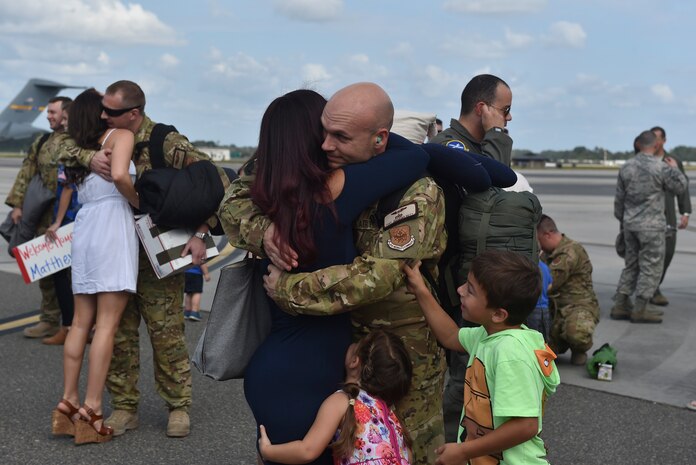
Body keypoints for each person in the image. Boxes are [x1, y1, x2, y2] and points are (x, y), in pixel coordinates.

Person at [59, 80, 229, 438]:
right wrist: (88, 156)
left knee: (165, 335)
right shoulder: (101, 138)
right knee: (118, 336)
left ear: (134, 113)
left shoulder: (163, 141)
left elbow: (217, 182)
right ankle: (124, 405)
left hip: (159, 257)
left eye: (112, 112)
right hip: (115, 254)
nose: (103, 116)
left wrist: (202, 232)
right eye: (102, 109)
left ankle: (178, 406)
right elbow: (56, 149)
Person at [403, 250, 559, 465]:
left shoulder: (510, 353)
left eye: (471, 290)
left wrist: (464, 450)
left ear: (498, 314)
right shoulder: (491, 334)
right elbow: (450, 336)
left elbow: (526, 425)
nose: (460, 290)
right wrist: (421, 290)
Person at [429, 73, 514, 442]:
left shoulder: (471, 149)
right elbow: (490, 189)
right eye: (504, 111)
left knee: (476, 366)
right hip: (453, 278)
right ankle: (450, 444)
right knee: (464, 368)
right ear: (482, 108)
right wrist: (498, 138)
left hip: (468, 273)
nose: (508, 119)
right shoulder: (453, 148)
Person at [51, 88, 139, 444]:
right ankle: (93, 410)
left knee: (79, 322)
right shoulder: (121, 135)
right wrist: (139, 200)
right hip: (112, 227)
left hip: (85, 229)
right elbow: (120, 176)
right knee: (107, 325)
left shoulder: (76, 150)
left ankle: (67, 403)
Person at [258, 330, 413, 465]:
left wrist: (268, 451)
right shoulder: (392, 419)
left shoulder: (342, 401)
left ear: (354, 361)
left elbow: (308, 450)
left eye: (357, 343)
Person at [6, 96, 72, 339]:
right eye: (48, 113)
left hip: (72, 217)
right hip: (45, 218)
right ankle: (50, 319)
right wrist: (18, 204)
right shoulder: (43, 141)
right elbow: (27, 171)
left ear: (66, 114)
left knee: (73, 275)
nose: (48, 116)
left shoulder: (79, 141)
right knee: (47, 274)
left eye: (53, 113)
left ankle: (77, 323)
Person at [611, 130, 687, 323]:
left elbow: (619, 200)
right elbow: (680, 187)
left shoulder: (626, 167)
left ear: (638, 145)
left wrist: (623, 221)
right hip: (652, 227)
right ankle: (641, 308)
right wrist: (676, 169)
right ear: (655, 146)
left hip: (630, 224)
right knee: (650, 267)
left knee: (631, 265)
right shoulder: (660, 167)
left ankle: (621, 303)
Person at [536, 214, 600, 365]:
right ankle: (559, 342)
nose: (537, 244)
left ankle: (579, 348)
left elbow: (548, 284)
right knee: (541, 348)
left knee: (576, 333)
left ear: (547, 235)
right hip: (555, 308)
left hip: (577, 307)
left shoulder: (569, 252)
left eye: (538, 239)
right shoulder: (548, 253)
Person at [650, 126, 691, 306]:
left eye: (658, 139)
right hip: (647, 216)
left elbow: (683, 188)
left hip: (668, 216)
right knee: (647, 255)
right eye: (652, 138)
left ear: (664, 141)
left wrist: (685, 211)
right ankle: (650, 291)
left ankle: (654, 286)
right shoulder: (642, 161)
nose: (655, 142)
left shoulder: (673, 161)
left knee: (668, 252)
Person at [526, 261, 552, 342]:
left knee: (532, 340)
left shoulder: (528, 265)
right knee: (543, 341)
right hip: (545, 309)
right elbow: (550, 286)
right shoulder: (545, 267)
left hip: (533, 309)